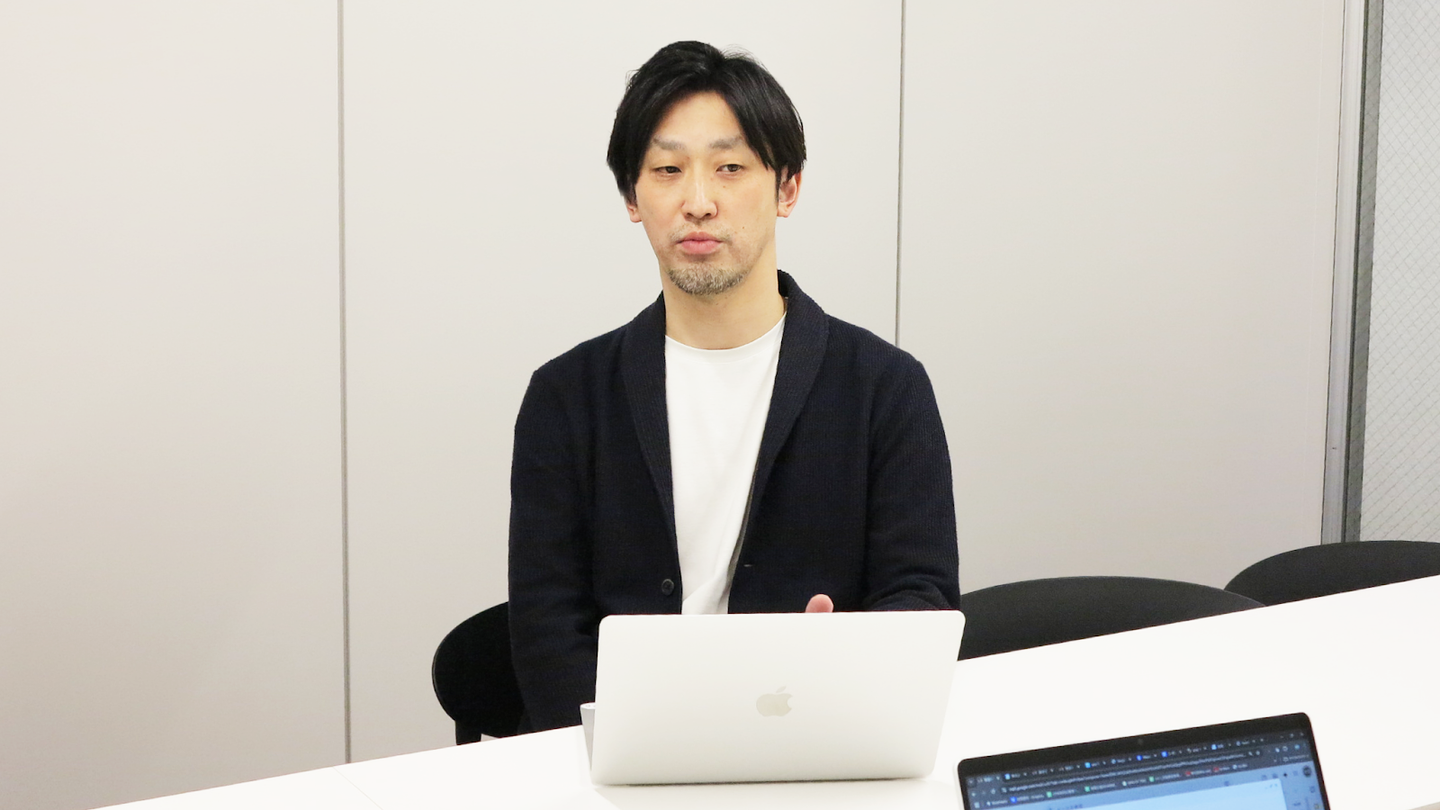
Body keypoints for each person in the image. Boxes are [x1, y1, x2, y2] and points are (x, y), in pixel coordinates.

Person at [507, 40, 959, 733]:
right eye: (667, 170)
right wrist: (624, 750)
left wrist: (845, 662)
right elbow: (546, 632)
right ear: (632, 196)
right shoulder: (566, 398)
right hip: (626, 753)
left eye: (730, 168)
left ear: (787, 188)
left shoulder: (885, 389)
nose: (698, 202)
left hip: (820, 738)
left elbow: (921, 598)